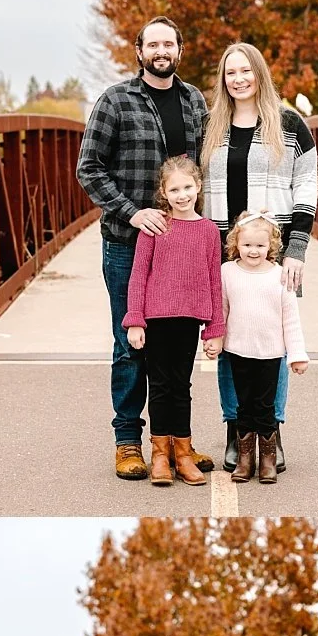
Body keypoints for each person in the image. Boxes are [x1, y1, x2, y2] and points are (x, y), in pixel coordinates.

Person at [76, 15, 210, 481]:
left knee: (176, 350)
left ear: (179, 49)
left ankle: (175, 440)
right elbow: (89, 167)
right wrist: (132, 212)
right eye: (152, 44)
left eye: (168, 43)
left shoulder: (195, 100)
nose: (161, 50)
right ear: (139, 51)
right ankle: (128, 441)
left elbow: (207, 168)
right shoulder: (115, 100)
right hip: (127, 244)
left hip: (181, 250)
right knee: (130, 342)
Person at [201, 41, 315, 473]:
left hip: (274, 250)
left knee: (274, 341)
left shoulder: (289, 125)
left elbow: (307, 188)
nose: (239, 79)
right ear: (223, 78)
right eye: (231, 72)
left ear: (259, 73)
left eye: (246, 70)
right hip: (221, 251)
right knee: (229, 339)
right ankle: (238, 429)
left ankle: (270, 431)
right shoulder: (210, 126)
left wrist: (297, 250)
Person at [122, 157, 224, 487]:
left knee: (182, 387)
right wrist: (135, 319)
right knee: (161, 386)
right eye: (175, 189)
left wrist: (214, 329)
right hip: (156, 318)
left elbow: (213, 280)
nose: (182, 195)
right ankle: (160, 455)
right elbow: (138, 276)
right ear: (164, 193)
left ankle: (183, 454)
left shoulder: (208, 230)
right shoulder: (155, 227)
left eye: (188, 187)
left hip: (188, 319)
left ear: (199, 187)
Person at [220, 213, 308, 482]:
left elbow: (290, 320)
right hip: (238, 350)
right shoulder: (228, 272)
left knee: (265, 406)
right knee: (243, 406)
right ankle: (245, 460)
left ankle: (267, 459)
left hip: (270, 354)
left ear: (272, 246)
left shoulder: (280, 276)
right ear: (236, 243)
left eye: (260, 245)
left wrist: (296, 354)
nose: (253, 251)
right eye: (247, 245)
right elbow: (222, 309)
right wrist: (215, 340)